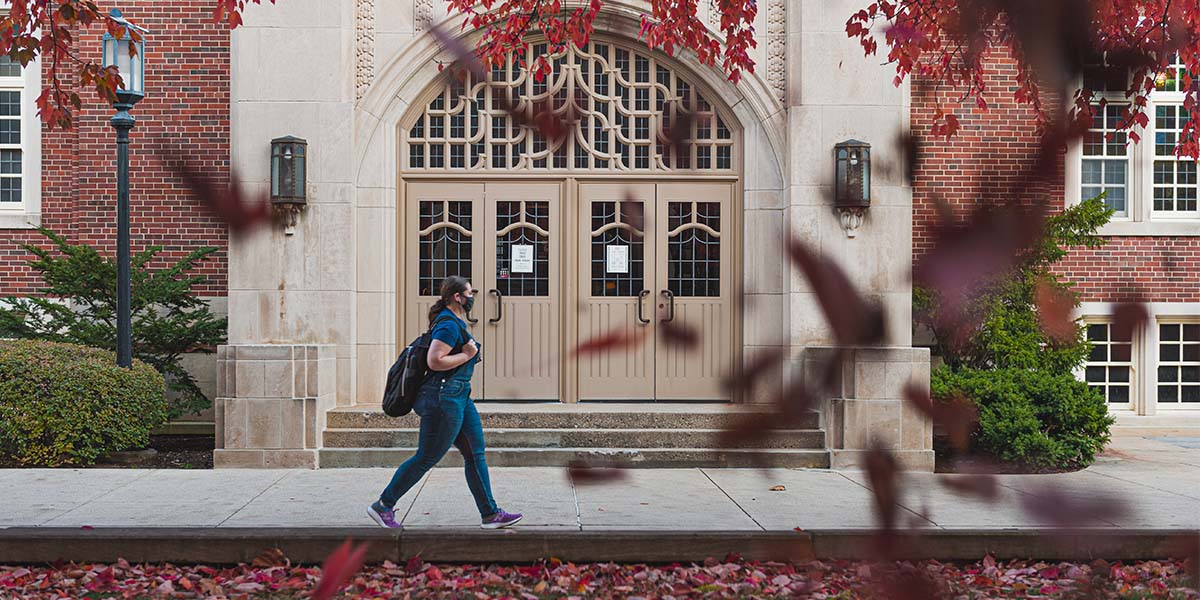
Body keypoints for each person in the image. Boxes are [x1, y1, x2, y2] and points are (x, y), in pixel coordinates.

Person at [367, 275, 523, 529]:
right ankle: (383, 505)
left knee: (475, 453)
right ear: (457, 297)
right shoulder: (448, 325)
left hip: (459, 395)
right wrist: (466, 354)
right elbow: (435, 360)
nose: (472, 298)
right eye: (469, 293)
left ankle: (490, 514)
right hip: (443, 398)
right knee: (427, 457)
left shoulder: (453, 321)